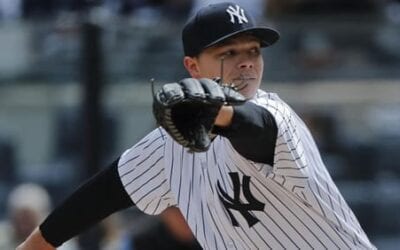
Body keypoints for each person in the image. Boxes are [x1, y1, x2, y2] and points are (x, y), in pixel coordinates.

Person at [17, 2, 376, 249]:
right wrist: (35, 244)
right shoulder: (169, 143)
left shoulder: (274, 114)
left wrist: (220, 113)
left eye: (252, 50)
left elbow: (254, 129)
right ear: (192, 67)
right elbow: (102, 195)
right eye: (228, 53)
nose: (247, 63)